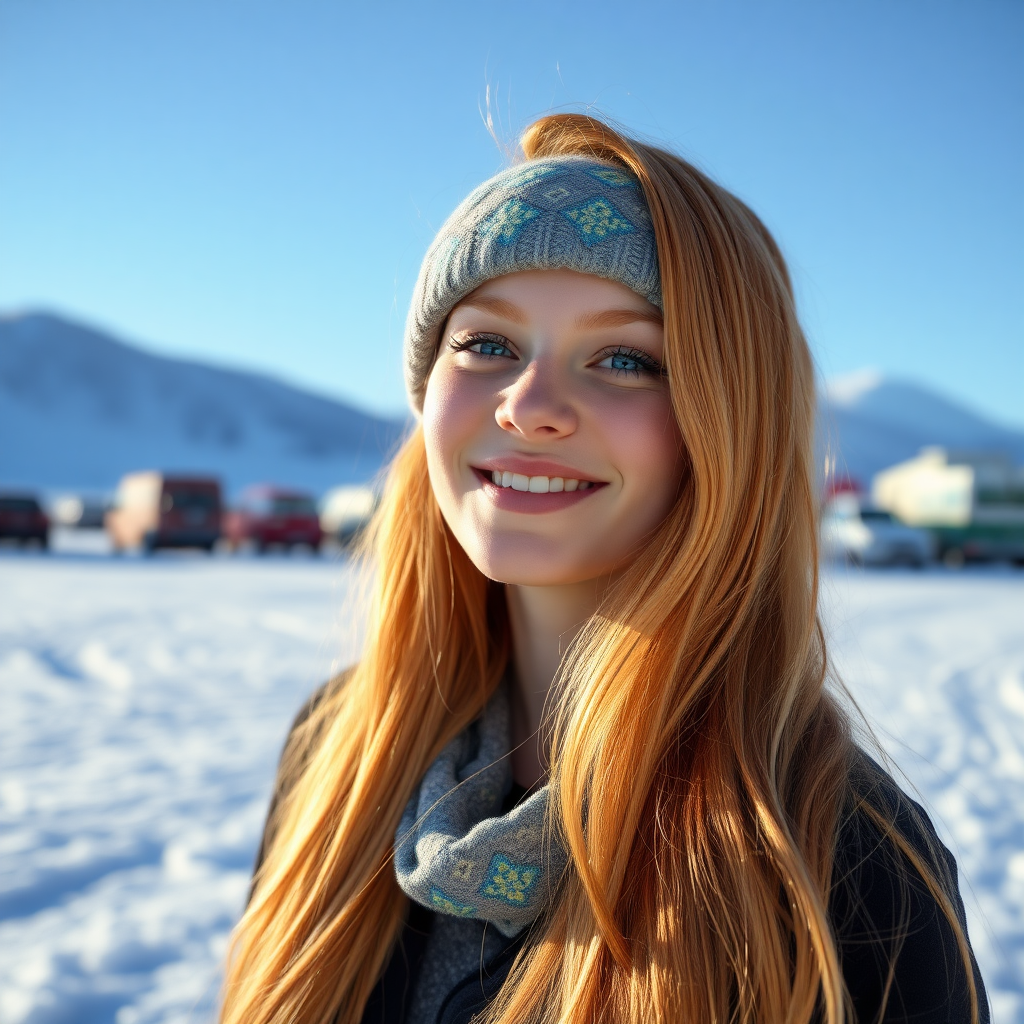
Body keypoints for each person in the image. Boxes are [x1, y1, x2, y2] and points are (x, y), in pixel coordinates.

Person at [219, 114, 988, 1024]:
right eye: (486, 345)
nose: (529, 405)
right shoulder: (338, 753)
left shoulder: (841, 868)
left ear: (727, 428)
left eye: (624, 358)